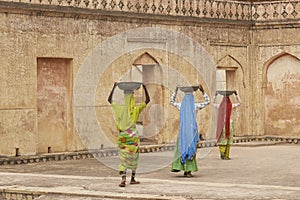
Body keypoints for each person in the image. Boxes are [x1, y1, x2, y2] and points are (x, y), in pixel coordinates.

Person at [108, 82, 150, 187]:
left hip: (123, 136)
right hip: (133, 136)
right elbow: (147, 101)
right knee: (134, 156)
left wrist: (114, 87)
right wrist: (144, 87)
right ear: (132, 99)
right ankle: (132, 178)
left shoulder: (119, 109)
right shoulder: (135, 109)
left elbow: (109, 100)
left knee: (123, 157)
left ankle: (123, 179)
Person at [170, 85, 210, 177]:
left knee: (182, 148)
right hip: (192, 131)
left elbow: (171, 101)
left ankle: (183, 168)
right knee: (191, 148)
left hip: (183, 132)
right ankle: (188, 171)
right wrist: (203, 92)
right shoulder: (195, 106)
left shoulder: (181, 106)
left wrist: (175, 91)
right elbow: (207, 102)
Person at [212, 90, 241, 160]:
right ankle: (226, 155)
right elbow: (240, 103)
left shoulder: (219, 106)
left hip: (222, 125)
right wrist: (236, 95)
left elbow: (212, 103)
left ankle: (222, 152)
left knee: (222, 139)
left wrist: (215, 95)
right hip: (229, 125)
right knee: (228, 140)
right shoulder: (231, 106)